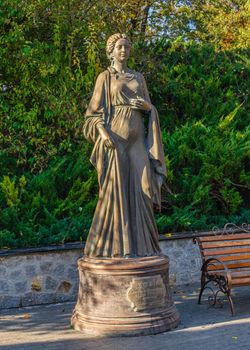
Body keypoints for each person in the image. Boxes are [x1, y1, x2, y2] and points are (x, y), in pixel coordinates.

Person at [83, 33, 166, 258]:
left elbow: (151, 107)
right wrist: (102, 133)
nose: (123, 51)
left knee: (145, 188)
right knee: (115, 193)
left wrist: (148, 107)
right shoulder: (105, 77)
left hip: (137, 141)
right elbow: (91, 114)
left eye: (127, 47)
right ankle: (116, 249)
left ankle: (145, 248)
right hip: (115, 140)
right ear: (111, 51)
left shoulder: (139, 77)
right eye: (119, 47)